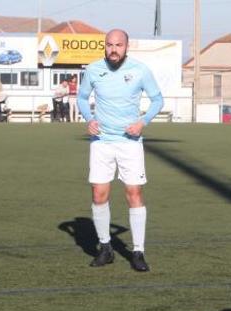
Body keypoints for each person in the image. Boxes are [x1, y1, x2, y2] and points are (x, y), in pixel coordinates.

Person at [78, 29, 164, 272]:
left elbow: (157, 100)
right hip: (101, 142)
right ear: (104, 46)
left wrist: (142, 122)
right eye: (109, 45)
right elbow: (82, 98)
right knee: (98, 194)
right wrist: (89, 118)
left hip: (129, 142)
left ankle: (138, 252)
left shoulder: (140, 70)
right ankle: (105, 248)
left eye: (118, 45)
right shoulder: (93, 70)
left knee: (134, 193)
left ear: (127, 46)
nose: (113, 49)